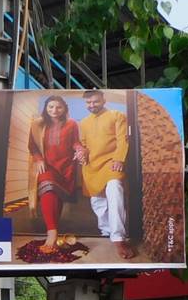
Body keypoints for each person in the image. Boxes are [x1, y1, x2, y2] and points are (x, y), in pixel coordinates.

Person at [76, 90, 133, 259]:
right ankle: (105, 231)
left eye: (95, 102)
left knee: (114, 190)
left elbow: (123, 139)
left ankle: (118, 237)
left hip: (112, 162)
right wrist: (82, 153)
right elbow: (84, 144)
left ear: (103, 100)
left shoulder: (117, 115)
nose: (92, 105)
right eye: (88, 103)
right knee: (98, 200)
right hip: (92, 165)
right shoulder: (84, 123)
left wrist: (119, 159)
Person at [27, 93, 82, 252]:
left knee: (56, 195)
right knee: (47, 189)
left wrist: (79, 149)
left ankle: (54, 229)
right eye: (50, 106)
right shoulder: (37, 125)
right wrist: (39, 159)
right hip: (47, 166)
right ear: (46, 108)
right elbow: (32, 146)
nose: (54, 110)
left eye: (59, 107)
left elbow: (75, 142)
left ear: (64, 108)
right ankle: (52, 232)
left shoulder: (72, 124)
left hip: (66, 167)